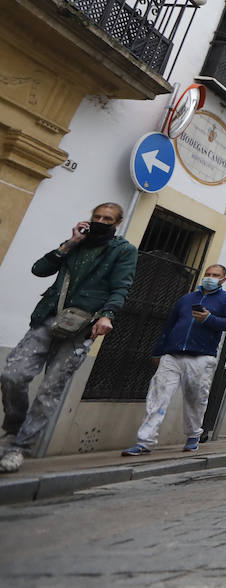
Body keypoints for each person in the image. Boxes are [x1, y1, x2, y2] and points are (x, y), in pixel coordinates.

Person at [1, 202, 137, 473]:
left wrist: (107, 315)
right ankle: (14, 427)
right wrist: (70, 243)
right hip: (49, 316)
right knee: (12, 374)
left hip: (82, 326)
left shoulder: (123, 251)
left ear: (117, 223)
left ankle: (19, 448)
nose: (100, 221)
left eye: (107, 219)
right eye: (96, 216)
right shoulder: (76, 243)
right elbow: (39, 270)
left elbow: (121, 286)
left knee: (50, 389)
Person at [121, 264, 226, 456]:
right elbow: (169, 325)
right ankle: (144, 442)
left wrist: (209, 319)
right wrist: (158, 352)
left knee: (195, 399)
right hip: (172, 355)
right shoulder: (186, 299)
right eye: (208, 274)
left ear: (223, 280)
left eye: (215, 275)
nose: (210, 277)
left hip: (201, 357)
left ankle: (193, 435)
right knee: (157, 397)